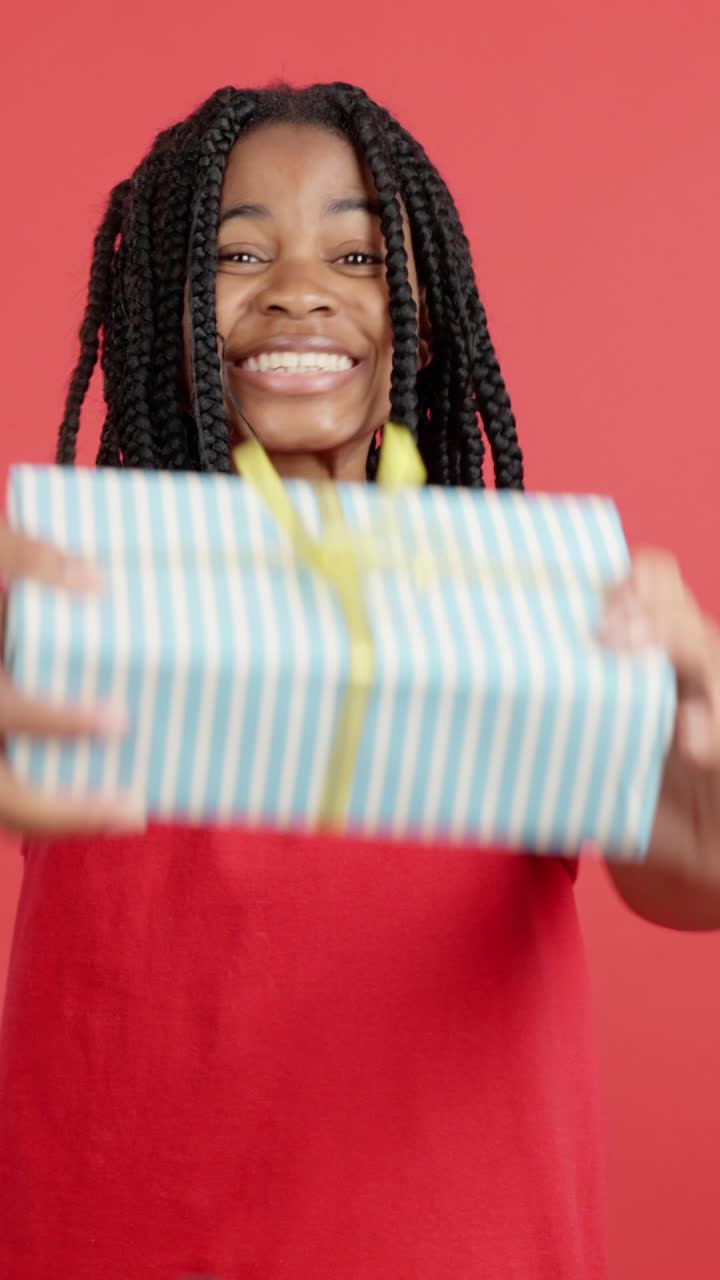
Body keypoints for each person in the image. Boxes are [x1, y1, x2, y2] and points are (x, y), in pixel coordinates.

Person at [0, 82, 719, 1280]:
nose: (297, 286)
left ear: (425, 320)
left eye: (357, 251)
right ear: (158, 303)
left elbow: (690, 879)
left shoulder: (525, 599)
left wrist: (702, 751)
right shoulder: (75, 585)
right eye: (236, 250)